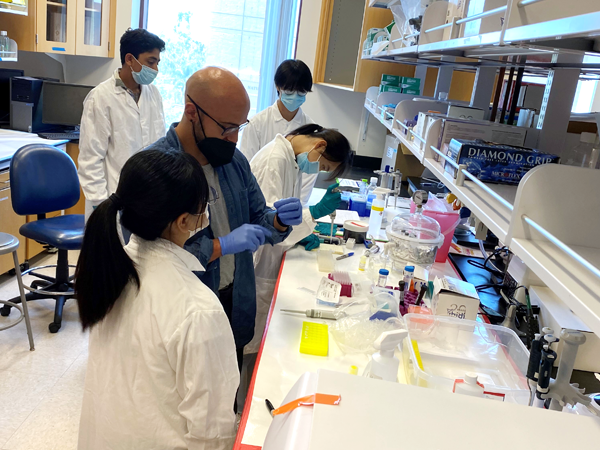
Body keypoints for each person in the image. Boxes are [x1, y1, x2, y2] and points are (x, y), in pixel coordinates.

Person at [76, 149, 239, 450]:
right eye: (204, 208)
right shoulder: (198, 310)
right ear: (183, 221)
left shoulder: (111, 270)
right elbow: (212, 434)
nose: (206, 215)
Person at [146, 67, 303, 367]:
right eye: (225, 128)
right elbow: (150, 257)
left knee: (227, 398)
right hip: (185, 311)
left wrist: (279, 221)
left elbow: (259, 215)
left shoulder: (233, 162)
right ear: (191, 111)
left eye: (239, 128)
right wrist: (220, 246)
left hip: (234, 299)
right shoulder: (156, 169)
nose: (233, 139)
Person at [246, 124, 352, 357]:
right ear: (320, 145)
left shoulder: (290, 159)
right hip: (258, 261)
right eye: (323, 166)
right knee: (252, 347)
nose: (317, 170)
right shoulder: (275, 160)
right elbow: (267, 220)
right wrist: (312, 213)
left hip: (269, 255)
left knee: (260, 343)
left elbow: (285, 212)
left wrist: (302, 231)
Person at [78, 28, 166, 222]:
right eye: (151, 62)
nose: (155, 70)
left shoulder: (154, 95)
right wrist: (101, 206)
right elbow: (90, 160)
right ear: (129, 59)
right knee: (111, 251)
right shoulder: (100, 97)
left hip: (148, 198)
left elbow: (160, 147)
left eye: (157, 63)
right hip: (112, 199)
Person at [240, 60, 320, 228]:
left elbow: (308, 178)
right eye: (290, 91)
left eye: (301, 92)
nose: (295, 96)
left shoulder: (311, 131)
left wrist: (298, 215)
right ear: (278, 86)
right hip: (258, 209)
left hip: (294, 213)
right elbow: (247, 169)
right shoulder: (257, 124)